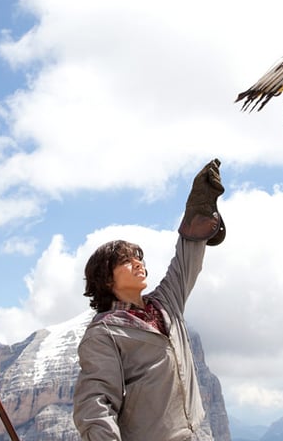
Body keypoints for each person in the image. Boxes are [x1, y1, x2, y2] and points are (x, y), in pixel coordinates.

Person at [72, 158, 226, 441]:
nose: (138, 264)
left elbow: (185, 260)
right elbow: (95, 403)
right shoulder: (104, 333)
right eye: (126, 261)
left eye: (139, 259)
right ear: (106, 279)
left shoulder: (166, 303)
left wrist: (199, 210)